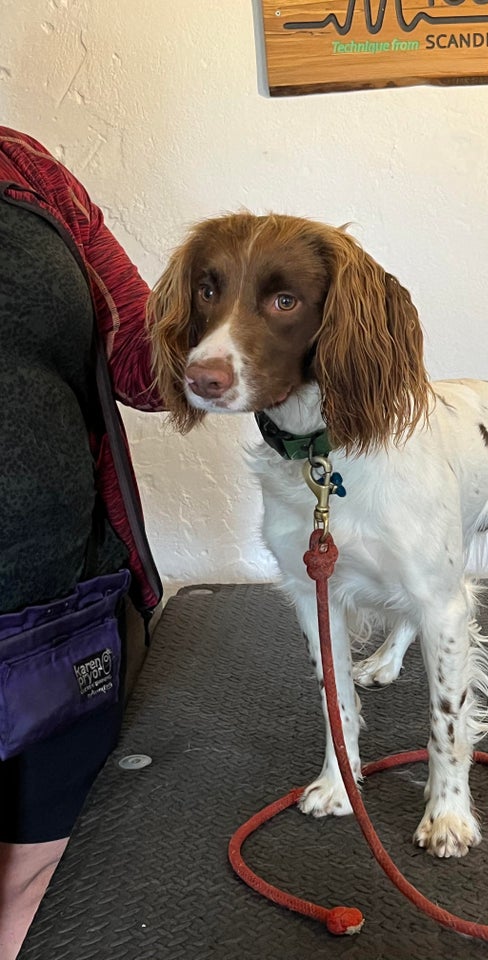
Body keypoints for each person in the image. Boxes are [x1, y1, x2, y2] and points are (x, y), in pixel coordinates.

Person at [0, 127, 163, 960]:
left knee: (49, 884)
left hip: (66, 615)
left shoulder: (26, 171)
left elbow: (142, 359)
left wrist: (264, 322)